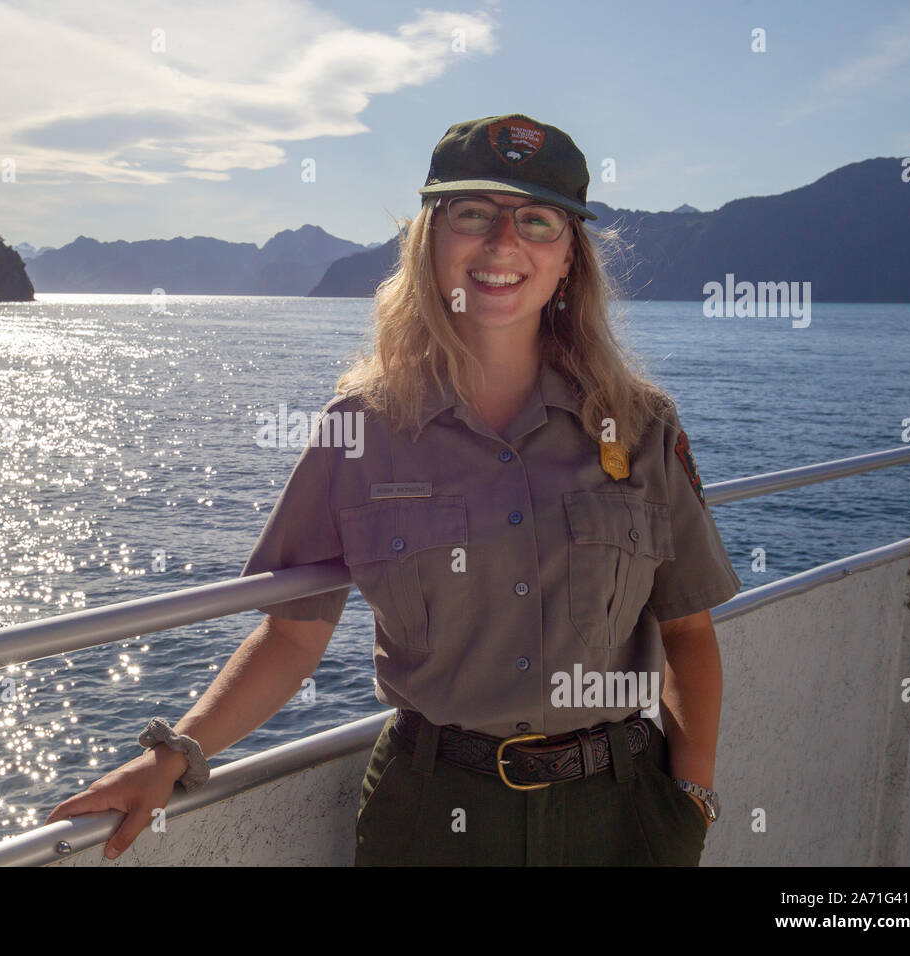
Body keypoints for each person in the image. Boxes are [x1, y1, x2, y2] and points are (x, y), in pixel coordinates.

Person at [46, 113, 742, 866]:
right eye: (472, 215)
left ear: (569, 258)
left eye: (537, 221)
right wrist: (175, 752)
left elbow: (688, 635)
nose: (503, 243)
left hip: (621, 814)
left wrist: (690, 803)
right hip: (432, 816)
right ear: (430, 243)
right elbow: (290, 637)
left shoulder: (638, 426)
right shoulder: (359, 431)